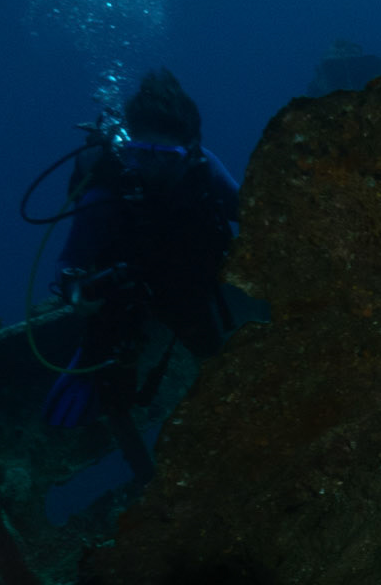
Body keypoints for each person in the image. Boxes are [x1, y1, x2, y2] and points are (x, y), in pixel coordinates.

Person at [42, 69, 239, 432]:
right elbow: (69, 260)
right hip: (125, 297)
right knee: (114, 396)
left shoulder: (205, 171)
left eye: (165, 156)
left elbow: (252, 212)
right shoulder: (107, 194)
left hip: (185, 286)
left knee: (214, 353)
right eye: (140, 153)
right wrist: (74, 289)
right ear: (127, 147)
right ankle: (92, 375)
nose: (150, 167)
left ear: (191, 150)